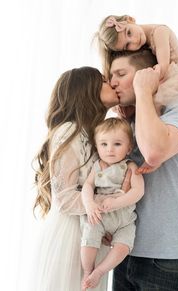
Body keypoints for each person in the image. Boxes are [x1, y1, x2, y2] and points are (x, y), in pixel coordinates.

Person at [103, 47, 178, 290]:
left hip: (168, 261)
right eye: (111, 76)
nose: (113, 82)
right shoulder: (132, 117)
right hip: (126, 253)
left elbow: (154, 152)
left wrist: (143, 89)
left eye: (121, 74)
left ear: (147, 74)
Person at [31, 67, 122, 291]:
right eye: (103, 80)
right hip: (70, 237)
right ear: (87, 90)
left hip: (90, 233)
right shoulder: (68, 131)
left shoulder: (95, 134)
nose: (111, 82)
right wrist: (113, 206)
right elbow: (65, 197)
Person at [95, 14, 178, 131]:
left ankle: (156, 131)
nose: (134, 42)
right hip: (162, 70)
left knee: (155, 102)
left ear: (130, 19)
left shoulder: (159, 32)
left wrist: (145, 82)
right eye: (127, 46)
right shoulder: (139, 41)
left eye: (129, 33)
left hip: (171, 70)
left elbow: (163, 66)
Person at [80, 117, 144, 290]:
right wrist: (89, 204)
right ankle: (88, 270)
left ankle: (100, 271)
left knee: (123, 247)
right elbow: (87, 186)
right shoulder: (97, 166)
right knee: (89, 238)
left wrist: (116, 202)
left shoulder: (131, 166)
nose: (110, 150)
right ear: (97, 146)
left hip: (124, 220)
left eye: (117, 144)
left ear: (129, 147)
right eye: (103, 144)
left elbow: (138, 191)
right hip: (100, 215)